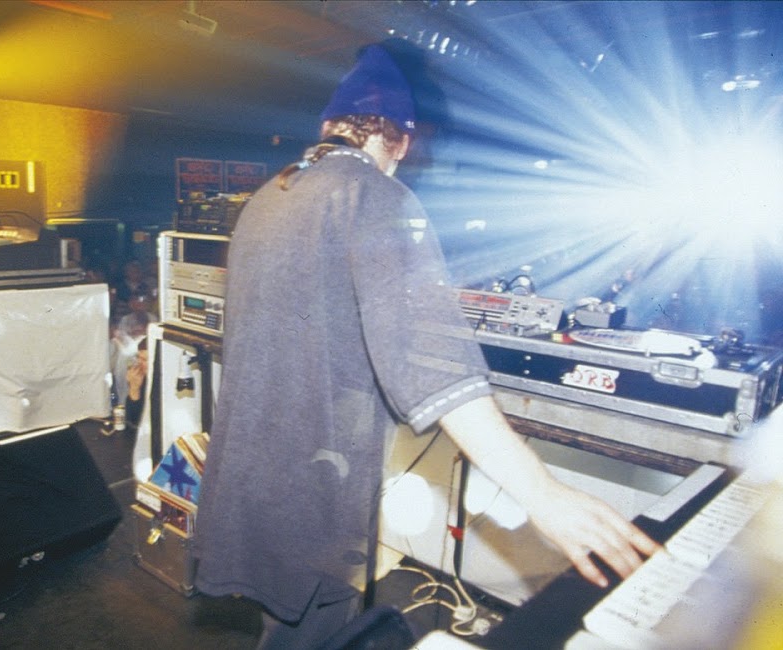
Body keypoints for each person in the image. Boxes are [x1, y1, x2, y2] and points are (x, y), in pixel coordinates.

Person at [193, 44, 658, 648]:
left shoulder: (270, 195)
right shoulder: (375, 196)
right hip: (314, 475)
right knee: (310, 631)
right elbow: (435, 369)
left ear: (330, 127)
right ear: (398, 139)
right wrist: (543, 493)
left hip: (254, 462)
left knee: (283, 624)